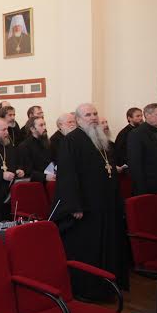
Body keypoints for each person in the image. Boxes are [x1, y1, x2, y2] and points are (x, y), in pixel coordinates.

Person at [53, 103, 126, 299]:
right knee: (88, 249)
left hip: (105, 205)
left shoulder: (102, 139)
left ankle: (107, 287)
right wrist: (73, 205)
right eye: (88, 115)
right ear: (78, 119)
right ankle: (87, 290)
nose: (93, 117)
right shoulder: (71, 140)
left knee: (106, 247)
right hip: (85, 207)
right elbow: (67, 175)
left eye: (95, 113)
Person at [127, 103, 157, 195]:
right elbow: (135, 166)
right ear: (147, 115)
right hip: (148, 189)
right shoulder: (136, 134)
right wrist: (143, 192)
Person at [19, 116, 55, 184]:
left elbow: (52, 162)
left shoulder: (48, 143)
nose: (44, 128)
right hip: (36, 184)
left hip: (51, 179)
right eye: (41, 125)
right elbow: (27, 170)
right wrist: (45, 177)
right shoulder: (25, 146)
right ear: (32, 129)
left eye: (44, 124)